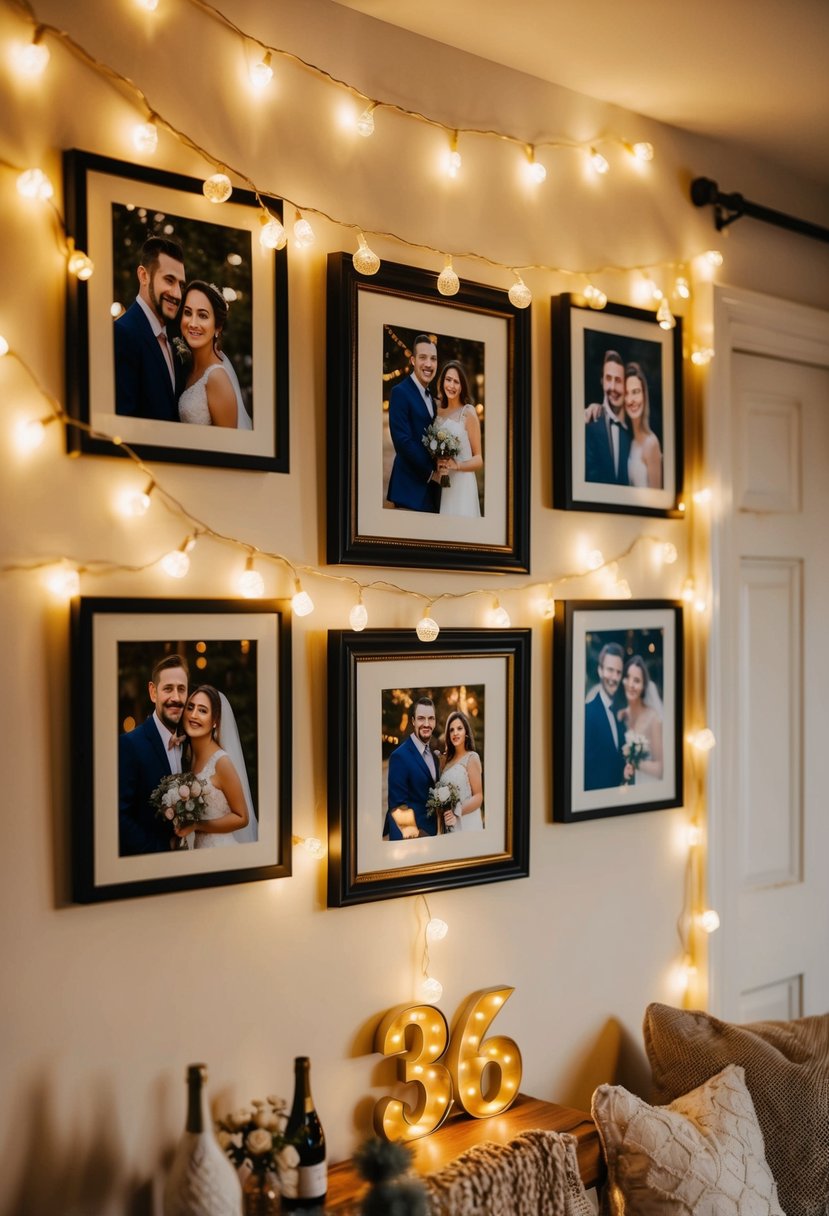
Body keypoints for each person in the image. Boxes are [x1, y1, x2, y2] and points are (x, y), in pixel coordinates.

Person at [118, 653, 189, 855]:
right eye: (168, 689)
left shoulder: (191, 743)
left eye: (181, 689)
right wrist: (160, 852)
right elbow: (119, 816)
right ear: (153, 692)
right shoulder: (129, 744)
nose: (176, 698)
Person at [175, 684, 258, 847]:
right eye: (190, 707)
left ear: (215, 721)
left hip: (221, 850)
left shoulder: (221, 762)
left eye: (202, 710)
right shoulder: (187, 755)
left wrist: (198, 825)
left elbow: (242, 818)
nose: (193, 715)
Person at [114, 236, 186, 421]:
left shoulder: (174, 338)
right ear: (144, 276)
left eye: (181, 284)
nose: (177, 294)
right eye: (169, 280)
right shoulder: (121, 334)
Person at [177, 281, 253, 429]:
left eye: (202, 315)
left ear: (217, 327)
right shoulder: (188, 366)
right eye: (187, 312)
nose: (193, 323)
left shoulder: (217, 377)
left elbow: (228, 446)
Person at [386, 334, 441, 512]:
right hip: (408, 491)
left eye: (433, 359)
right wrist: (432, 474)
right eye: (422, 357)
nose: (428, 364)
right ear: (412, 360)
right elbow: (402, 441)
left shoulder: (432, 398)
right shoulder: (400, 392)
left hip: (432, 493)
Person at [384, 697, 441, 839]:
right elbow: (398, 806)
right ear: (413, 721)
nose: (426, 724)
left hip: (433, 833)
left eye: (431, 719)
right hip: (410, 838)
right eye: (421, 718)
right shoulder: (399, 756)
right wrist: (419, 837)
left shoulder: (434, 756)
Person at [433, 360, 483, 517]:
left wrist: (457, 465)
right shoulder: (437, 411)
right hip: (443, 483)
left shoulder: (468, 412)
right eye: (448, 380)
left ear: (462, 386)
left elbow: (479, 459)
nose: (451, 386)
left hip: (463, 484)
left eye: (456, 382)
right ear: (442, 381)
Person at [584, 350, 631, 485]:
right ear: (602, 381)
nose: (612, 387)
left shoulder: (632, 428)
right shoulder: (589, 420)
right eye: (608, 378)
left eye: (618, 380)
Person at [584, 642, 626, 790]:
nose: (614, 677)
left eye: (618, 672)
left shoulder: (621, 712)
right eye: (610, 670)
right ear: (600, 670)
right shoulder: (587, 713)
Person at [618, 655, 664, 783]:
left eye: (637, 680)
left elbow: (660, 769)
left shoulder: (652, 718)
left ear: (644, 686)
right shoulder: (621, 715)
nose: (631, 684)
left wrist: (634, 762)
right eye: (628, 677)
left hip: (646, 785)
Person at [439, 710, 484, 831]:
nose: (455, 733)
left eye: (459, 728)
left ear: (466, 733)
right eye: (451, 730)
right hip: (449, 825)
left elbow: (479, 796)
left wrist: (457, 812)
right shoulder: (446, 762)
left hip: (467, 822)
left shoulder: (472, 757)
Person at [623, 363, 663, 488]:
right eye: (626, 393)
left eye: (636, 392)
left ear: (644, 396)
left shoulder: (651, 443)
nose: (631, 400)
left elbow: (656, 499)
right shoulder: (631, 441)